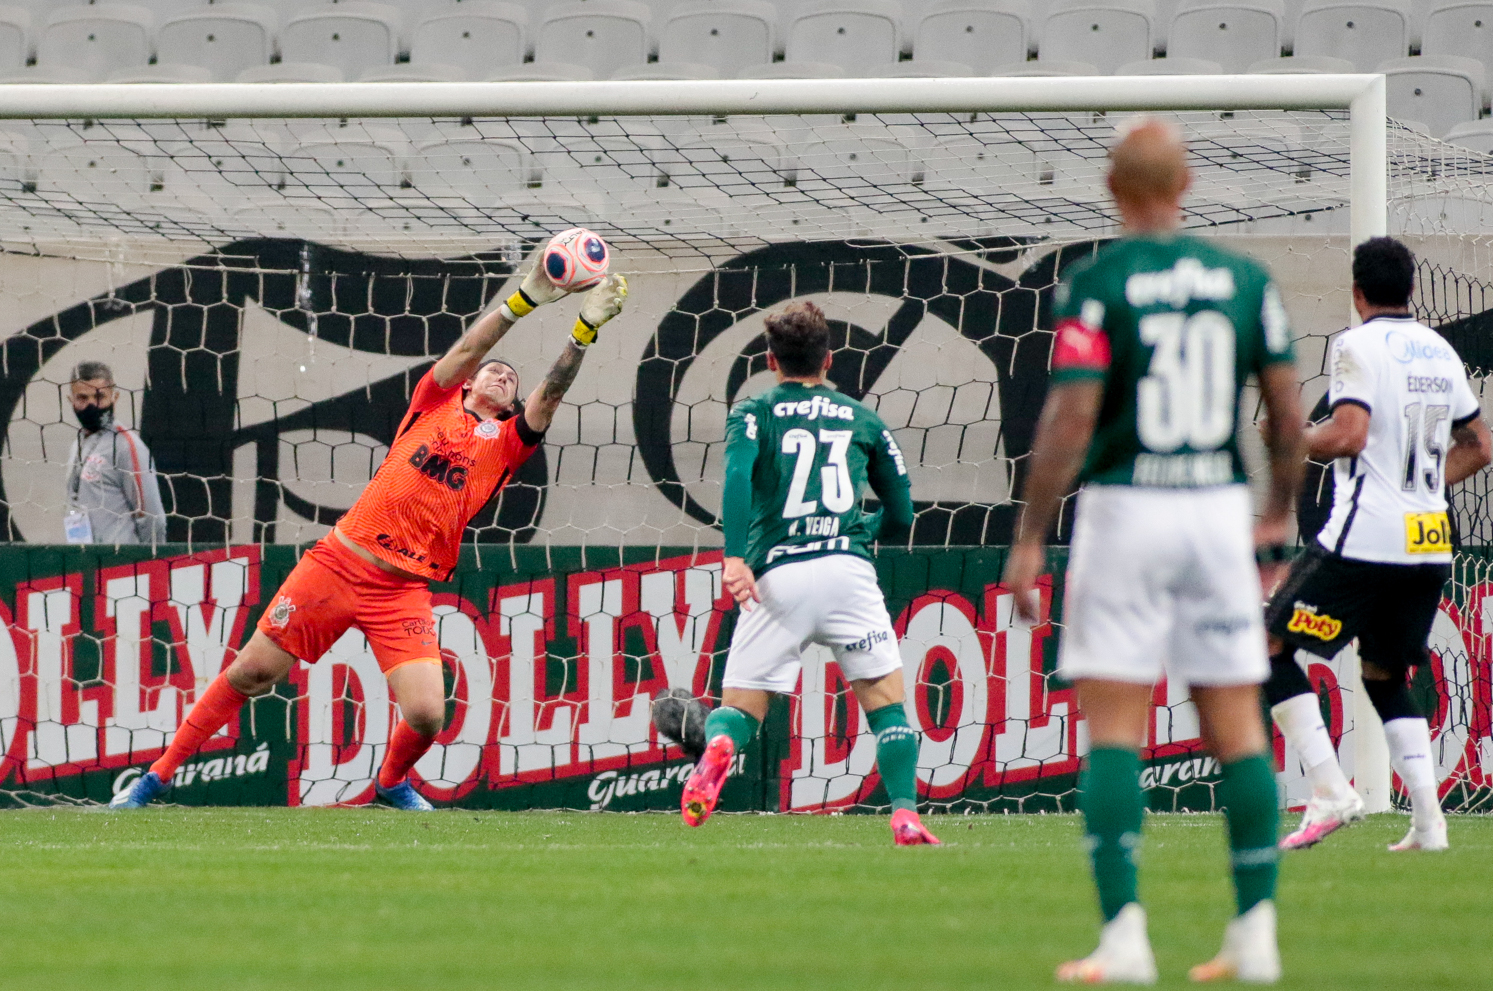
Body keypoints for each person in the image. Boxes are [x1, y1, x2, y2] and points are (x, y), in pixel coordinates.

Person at [111, 252, 629, 811]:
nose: (503, 376)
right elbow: (466, 351)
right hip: (337, 563)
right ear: (469, 385)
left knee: (429, 714)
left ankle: (389, 781)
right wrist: (520, 302)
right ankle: (155, 779)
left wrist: (583, 331)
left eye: (512, 378)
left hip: (402, 589)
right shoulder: (432, 405)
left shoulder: (506, 445)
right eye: (494, 371)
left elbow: (549, 396)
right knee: (252, 671)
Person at [1002, 117, 1306, 983]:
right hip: (1216, 508)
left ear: (1112, 190)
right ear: (1188, 184)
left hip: (1128, 508)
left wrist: (1030, 536)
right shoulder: (1247, 280)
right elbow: (1288, 415)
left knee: (1115, 729)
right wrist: (1276, 515)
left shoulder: (1098, 283)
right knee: (1238, 725)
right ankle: (1255, 933)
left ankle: (1126, 936)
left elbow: (1069, 417)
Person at [676, 301, 940, 847]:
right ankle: (906, 815)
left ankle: (719, 748)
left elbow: (737, 479)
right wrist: (864, 531)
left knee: (739, 712)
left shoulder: (752, 412)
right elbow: (903, 512)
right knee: (886, 703)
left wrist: (734, 557)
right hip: (848, 574)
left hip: (779, 577)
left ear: (771, 361)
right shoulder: (864, 419)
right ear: (831, 358)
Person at [1265, 237, 1491, 854]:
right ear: (1410, 289)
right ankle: (1428, 822)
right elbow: (1479, 445)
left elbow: (1349, 433)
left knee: (1269, 646)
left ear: (1357, 291)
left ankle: (1331, 790)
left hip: (1366, 539)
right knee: (1386, 673)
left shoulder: (1355, 345)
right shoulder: (1439, 351)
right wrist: (1419, 486)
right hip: (1428, 539)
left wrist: (1292, 436)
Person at [64, 361, 166, 545]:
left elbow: (153, 518)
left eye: (99, 397)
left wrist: (149, 564)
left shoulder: (127, 446)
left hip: (120, 563)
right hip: (85, 560)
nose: (91, 405)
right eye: (82, 398)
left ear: (114, 397)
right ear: (70, 399)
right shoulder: (77, 445)